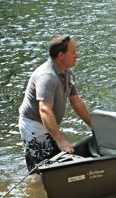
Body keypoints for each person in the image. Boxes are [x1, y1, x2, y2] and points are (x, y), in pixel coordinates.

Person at [18, 36, 92, 171]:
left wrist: (94, 125)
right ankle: (35, 186)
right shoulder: (47, 76)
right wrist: (60, 140)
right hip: (34, 125)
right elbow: (44, 110)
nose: (77, 55)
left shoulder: (68, 73)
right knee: (42, 171)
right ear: (61, 55)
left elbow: (76, 101)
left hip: (48, 123)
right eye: (74, 52)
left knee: (56, 163)